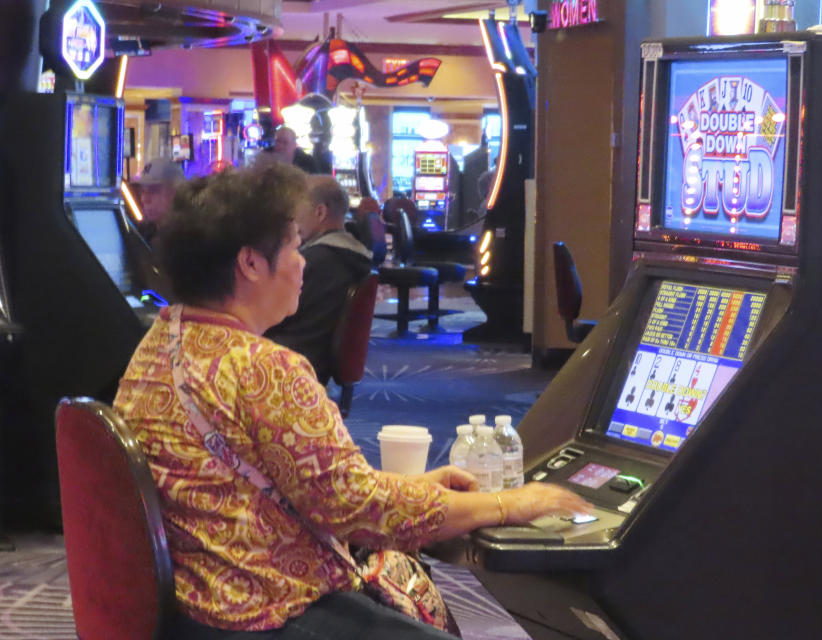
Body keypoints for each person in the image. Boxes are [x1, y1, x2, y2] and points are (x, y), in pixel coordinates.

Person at [112, 163, 590, 639]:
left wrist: (424, 487)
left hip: (191, 603)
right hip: (261, 611)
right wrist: (509, 503)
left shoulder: (160, 340)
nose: (304, 263)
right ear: (251, 263)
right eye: (296, 246)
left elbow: (317, 489)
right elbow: (360, 511)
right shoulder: (264, 368)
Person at [265, 175, 372, 382]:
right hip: (310, 361)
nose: (292, 218)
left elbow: (268, 318)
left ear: (320, 212)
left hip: (287, 364)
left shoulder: (312, 262)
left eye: (296, 210)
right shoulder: (350, 256)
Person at [135, 157, 185, 244]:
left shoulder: (191, 240)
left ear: (176, 192)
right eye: (143, 191)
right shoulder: (143, 233)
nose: (144, 199)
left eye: (153, 190)